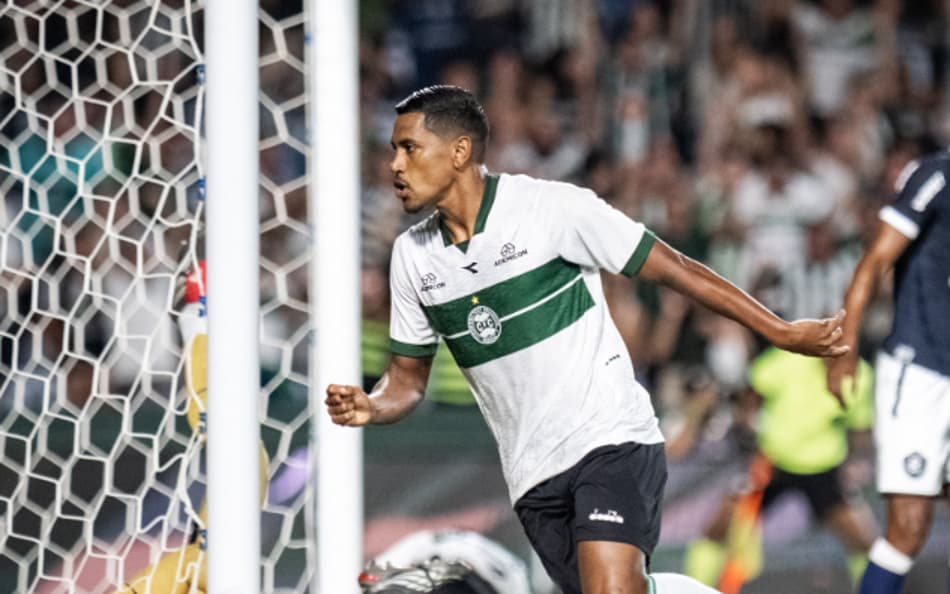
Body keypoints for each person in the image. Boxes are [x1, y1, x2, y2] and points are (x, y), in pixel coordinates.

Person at [325, 85, 848, 594]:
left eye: (408, 148)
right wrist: (372, 405)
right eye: (394, 150)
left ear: (460, 151)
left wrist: (779, 330)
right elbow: (408, 382)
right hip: (532, 475)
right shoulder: (412, 257)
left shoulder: (550, 209)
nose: (394, 165)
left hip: (610, 439)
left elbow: (676, 269)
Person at [826, 150, 950, 594]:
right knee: (908, 528)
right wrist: (844, 346)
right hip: (920, 372)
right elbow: (876, 259)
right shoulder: (938, 175)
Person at [684, 346, 876, 592]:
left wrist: (856, 463)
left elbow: (860, 426)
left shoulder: (860, 374)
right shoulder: (789, 359)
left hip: (824, 468)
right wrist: (749, 428)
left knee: (862, 541)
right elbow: (751, 392)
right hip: (772, 464)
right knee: (719, 526)